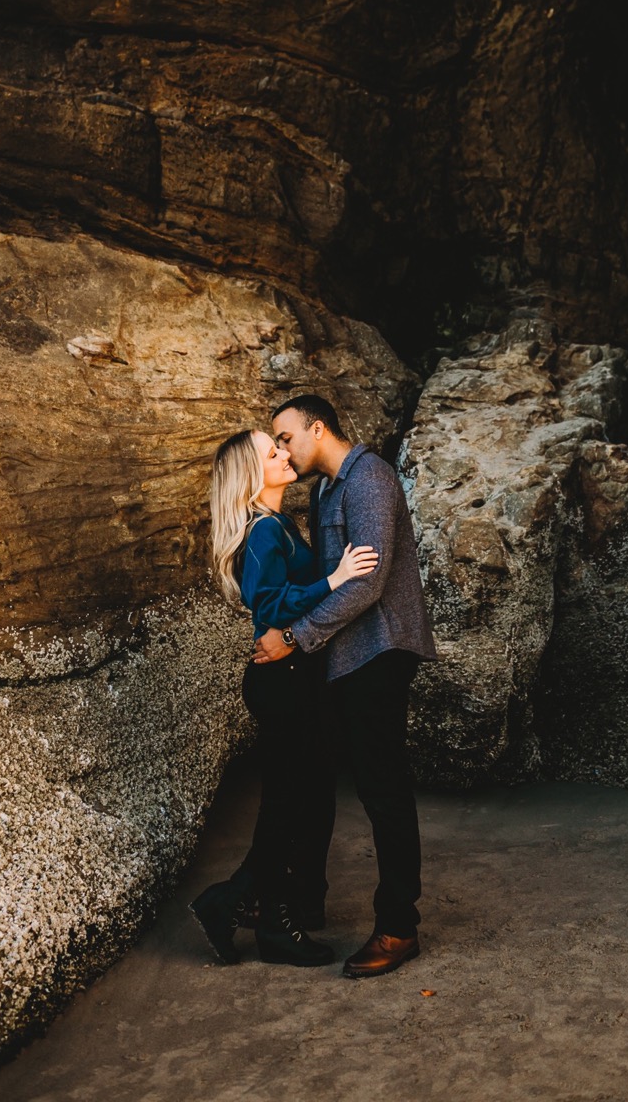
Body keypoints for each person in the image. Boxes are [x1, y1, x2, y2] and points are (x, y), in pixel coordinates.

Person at [254, 395, 437, 978]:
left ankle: (398, 927)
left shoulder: (369, 479)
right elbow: (327, 578)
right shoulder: (325, 490)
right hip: (343, 658)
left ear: (318, 427)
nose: (281, 450)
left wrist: (295, 635)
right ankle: (300, 900)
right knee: (315, 780)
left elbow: (369, 583)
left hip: (380, 649)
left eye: (285, 438)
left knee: (384, 790)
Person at [190, 427, 379, 967]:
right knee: (287, 808)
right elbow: (268, 605)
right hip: (283, 681)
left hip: (294, 677)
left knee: (299, 804)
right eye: (270, 451)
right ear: (252, 473)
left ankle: (274, 921)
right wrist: (336, 578)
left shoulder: (278, 523)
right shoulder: (264, 530)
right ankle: (230, 905)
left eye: (279, 444)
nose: (282, 453)